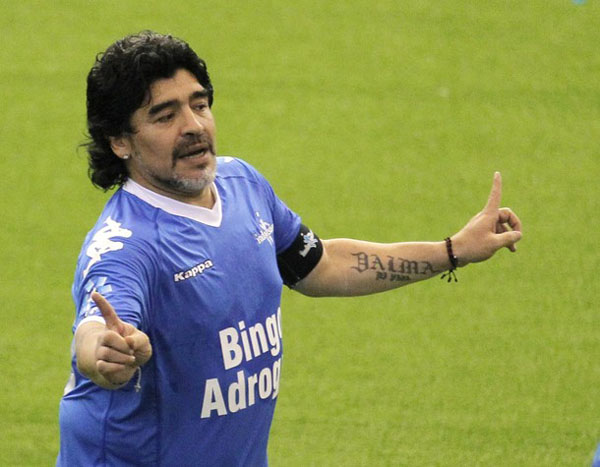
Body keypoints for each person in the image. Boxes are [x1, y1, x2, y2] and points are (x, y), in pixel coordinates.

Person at [57, 30, 522, 466]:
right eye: (165, 116)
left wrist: (454, 249)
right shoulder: (125, 246)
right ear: (120, 141)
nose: (194, 126)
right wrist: (106, 354)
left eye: (199, 105)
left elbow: (320, 264)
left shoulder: (241, 184)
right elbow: (97, 330)